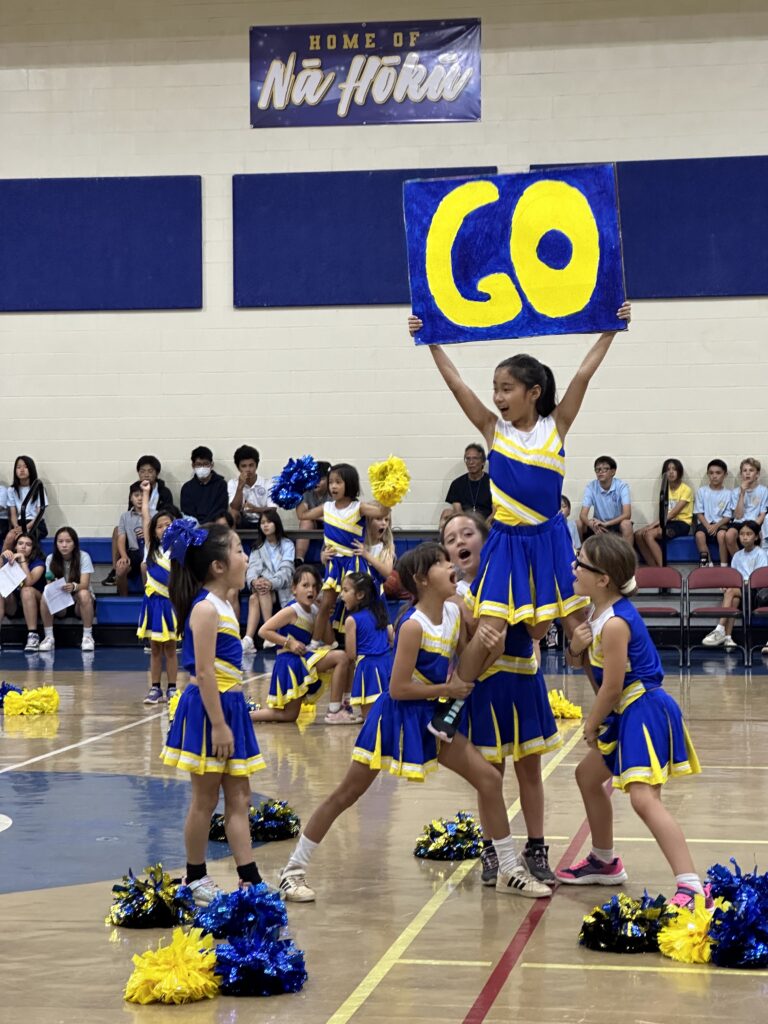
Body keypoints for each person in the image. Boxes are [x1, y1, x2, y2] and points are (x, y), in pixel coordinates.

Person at [277, 543, 551, 903]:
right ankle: (292, 871)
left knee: (488, 778)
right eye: (440, 562)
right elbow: (399, 688)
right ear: (422, 580)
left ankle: (509, 870)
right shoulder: (411, 625)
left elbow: (474, 659)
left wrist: (492, 643)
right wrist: (447, 687)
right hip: (395, 716)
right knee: (347, 793)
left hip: (431, 717)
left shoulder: (455, 610)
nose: (449, 564)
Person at [410, 302, 633, 687]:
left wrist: (611, 329)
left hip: (551, 540)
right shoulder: (493, 431)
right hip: (507, 543)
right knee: (489, 627)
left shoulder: (557, 425)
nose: (497, 396)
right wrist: (430, 340)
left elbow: (583, 373)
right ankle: (451, 701)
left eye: (505, 388)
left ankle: (608, 703)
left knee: (578, 624)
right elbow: (456, 384)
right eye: (495, 389)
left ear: (533, 392)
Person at [556, 534, 707, 909]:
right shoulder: (594, 613)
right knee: (587, 776)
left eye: (581, 563)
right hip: (626, 709)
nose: (574, 568)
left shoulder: (615, 623)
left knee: (643, 798)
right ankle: (604, 862)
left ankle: (691, 885)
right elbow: (587, 669)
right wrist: (574, 647)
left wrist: (591, 724)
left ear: (603, 578)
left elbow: (609, 688)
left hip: (644, 709)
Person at [442, 511, 560, 885]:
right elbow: (468, 643)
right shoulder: (456, 597)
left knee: (531, 771)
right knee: (489, 775)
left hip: (524, 680)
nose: (460, 542)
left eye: (467, 533)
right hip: (487, 688)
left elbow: (539, 628)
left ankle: (536, 847)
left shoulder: (515, 576)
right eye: (451, 539)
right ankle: (493, 846)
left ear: (488, 540)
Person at [160, 518, 265, 906]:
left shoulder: (225, 603)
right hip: (210, 710)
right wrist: (219, 725)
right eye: (239, 550)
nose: (245, 556)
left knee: (240, 797)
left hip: (230, 706)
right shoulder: (205, 608)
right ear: (218, 565)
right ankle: (196, 877)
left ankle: (249, 878)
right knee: (205, 799)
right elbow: (201, 671)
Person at [295, 463, 390, 647]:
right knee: (325, 603)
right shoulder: (326, 507)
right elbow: (303, 515)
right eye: (331, 482)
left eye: (338, 482)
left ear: (350, 484)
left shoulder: (358, 507)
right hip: (334, 563)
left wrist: (388, 493)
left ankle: (368, 640)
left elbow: (382, 511)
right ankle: (315, 642)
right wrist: (297, 491)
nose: (333, 486)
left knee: (360, 605)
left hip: (354, 563)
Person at [250, 565, 352, 725]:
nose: (310, 590)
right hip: (289, 662)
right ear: (294, 589)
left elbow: (330, 641)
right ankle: (335, 711)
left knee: (289, 716)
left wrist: (324, 614)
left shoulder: (314, 610)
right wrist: (289, 642)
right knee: (341, 657)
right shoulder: (291, 610)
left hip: (301, 659)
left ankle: (243, 715)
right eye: (305, 585)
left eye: (314, 586)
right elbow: (264, 631)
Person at [103, 456, 175, 586]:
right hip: (138, 534)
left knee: (145, 563)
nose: (146, 474)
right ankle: (115, 568)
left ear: (157, 473)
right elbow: (132, 513)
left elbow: (166, 517)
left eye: (150, 471)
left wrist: (149, 530)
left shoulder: (164, 492)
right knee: (118, 530)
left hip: (155, 532)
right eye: (142, 471)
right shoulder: (134, 488)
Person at [137, 482, 179, 704]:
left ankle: (172, 687)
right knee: (154, 649)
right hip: (153, 604)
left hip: (170, 604)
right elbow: (145, 515)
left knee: (171, 649)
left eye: (168, 524)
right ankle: (155, 688)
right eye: (159, 526)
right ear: (153, 531)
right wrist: (145, 492)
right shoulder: (150, 548)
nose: (163, 528)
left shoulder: (179, 548)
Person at [702, 520, 767, 650]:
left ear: (756, 537)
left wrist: (735, 586)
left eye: (749, 534)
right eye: (742, 534)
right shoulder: (737, 555)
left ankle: (720, 629)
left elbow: (760, 578)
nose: (745, 537)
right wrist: (727, 585)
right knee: (734, 597)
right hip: (742, 592)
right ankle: (728, 638)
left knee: (731, 591)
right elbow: (733, 577)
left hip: (756, 593)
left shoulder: (761, 554)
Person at [241, 509, 295, 654]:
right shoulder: (258, 547)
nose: (265, 525)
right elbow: (252, 569)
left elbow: (286, 572)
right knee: (256, 594)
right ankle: (254, 638)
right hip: (266, 591)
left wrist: (270, 582)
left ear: (276, 524)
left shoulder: (287, 544)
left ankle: (260, 635)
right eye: (262, 523)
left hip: (283, 589)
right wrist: (253, 582)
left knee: (260, 590)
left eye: (269, 522)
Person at [341, 573, 392, 720]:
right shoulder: (380, 613)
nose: (341, 595)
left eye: (345, 590)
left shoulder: (351, 620)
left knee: (371, 719)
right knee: (387, 712)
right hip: (387, 664)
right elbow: (392, 637)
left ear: (360, 595)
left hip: (368, 668)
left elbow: (351, 654)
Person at [39, 527, 96, 651]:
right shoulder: (50, 558)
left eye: (68, 541)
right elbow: (49, 584)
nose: (64, 545)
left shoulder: (83, 557)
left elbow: (85, 584)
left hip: (79, 601)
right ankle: (49, 637)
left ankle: (87, 636)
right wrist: (55, 584)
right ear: (56, 544)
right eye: (60, 541)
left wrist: (74, 586)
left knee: (84, 593)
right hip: (61, 601)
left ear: (74, 543)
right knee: (45, 594)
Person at [634, 459, 693, 568]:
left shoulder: (686, 489)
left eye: (674, 469)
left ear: (679, 472)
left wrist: (651, 525)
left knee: (649, 534)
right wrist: (652, 525)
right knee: (638, 535)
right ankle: (653, 567)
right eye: (668, 469)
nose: (671, 472)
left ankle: (663, 569)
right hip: (667, 522)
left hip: (681, 524)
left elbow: (673, 513)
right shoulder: (665, 488)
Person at [0, 532, 45, 652]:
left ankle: (32, 635)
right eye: (20, 543)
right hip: (13, 605)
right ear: (15, 546)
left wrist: (22, 559)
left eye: (28, 544)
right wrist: (1, 557)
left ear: (33, 548)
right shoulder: (8, 559)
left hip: (36, 605)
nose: (23, 547)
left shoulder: (38, 563)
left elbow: (29, 581)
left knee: (26, 590)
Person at [579, 456, 633, 543]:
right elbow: (582, 515)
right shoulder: (591, 486)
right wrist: (591, 524)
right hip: (598, 524)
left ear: (613, 472)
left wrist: (607, 523)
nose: (600, 472)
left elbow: (627, 514)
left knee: (626, 524)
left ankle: (627, 556)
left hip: (616, 524)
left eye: (605, 469)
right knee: (579, 523)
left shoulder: (622, 486)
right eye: (598, 469)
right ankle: (579, 553)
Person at [725, 458, 768, 558]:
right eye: (745, 471)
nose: (747, 473)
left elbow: (762, 514)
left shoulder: (763, 490)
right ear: (741, 474)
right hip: (739, 522)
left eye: (751, 470)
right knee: (729, 535)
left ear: (757, 474)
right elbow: (738, 516)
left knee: (762, 535)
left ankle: (759, 564)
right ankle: (739, 561)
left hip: (755, 522)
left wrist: (752, 527)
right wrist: (742, 494)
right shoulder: (736, 491)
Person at [693, 459, 732, 567]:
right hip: (705, 523)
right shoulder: (702, 491)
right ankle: (708, 565)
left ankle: (724, 565)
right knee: (699, 535)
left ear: (725, 474)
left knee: (722, 535)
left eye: (718, 473)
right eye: (711, 473)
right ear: (708, 474)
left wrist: (716, 526)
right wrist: (708, 526)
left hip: (721, 523)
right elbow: (699, 513)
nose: (714, 476)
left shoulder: (729, 493)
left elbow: (728, 516)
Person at [227, 445, 275, 528]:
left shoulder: (268, 483)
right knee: (233, 513)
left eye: (251, 465)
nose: (248, 469)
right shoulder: (232, 483)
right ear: (238, 468)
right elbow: (234, 508)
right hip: (242, 521)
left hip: (263, 520)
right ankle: (233, 540)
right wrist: (240, 487)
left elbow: (273, 510)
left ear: (256, 465)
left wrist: (255, 510)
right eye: (244, 466)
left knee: (271, 517)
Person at [180, 446, 229, 524]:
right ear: (193, 465)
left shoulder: (221, 485)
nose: (202, 467)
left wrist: (206, 525)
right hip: (194, 527)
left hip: (215, 526)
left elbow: (220, 509)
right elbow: (187, 513)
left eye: (206, 464)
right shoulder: (187, 488)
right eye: (199, 464)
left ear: (211, 465)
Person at [295, 461, 331, 563]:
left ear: (328, 480)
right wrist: (319, 516)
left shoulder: (333, 492)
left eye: (321, 479)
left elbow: (334, 517)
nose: (316, 482)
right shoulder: (306, 491)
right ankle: (299, 559)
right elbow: (301, 515)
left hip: (330, 523)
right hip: (314, 522)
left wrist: (310, 514)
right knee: (306, 522)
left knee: (331, 523)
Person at [445, 444, 493, 519]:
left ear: (483, 461)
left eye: (475, 458)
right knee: (446, 513)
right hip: (465, 523)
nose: (471, 462)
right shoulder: (457, 484)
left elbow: (496, 511)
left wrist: (485, 526)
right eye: (468, 459)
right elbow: (458, 511)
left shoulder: (493, 483)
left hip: (487, 524)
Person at [115, 483, 146, 597]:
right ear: (131, 498)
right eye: (136, 495)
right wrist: (123, 556)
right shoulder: (125, 516)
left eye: (143, 495)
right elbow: (121, 537)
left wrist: (147, 534)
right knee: (121, 568)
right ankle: (124, 599)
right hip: (133, 552)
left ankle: (148, 598)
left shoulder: (154, 514)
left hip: (149, 551)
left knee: (146, 566)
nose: (140, 498)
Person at [7, 455, 48, 538]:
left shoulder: (38, 487)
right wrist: (16, 527)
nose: (21, 470)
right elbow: (13, 514)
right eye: (18, 467)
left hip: (35, 523)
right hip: (20, 523)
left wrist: (26, 527)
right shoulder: (12, 490)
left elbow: (39, 514)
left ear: (31, 469)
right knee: (10, 536)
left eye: (25, 467)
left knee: (22, 537)